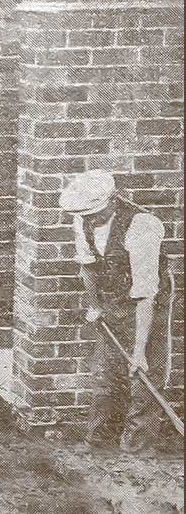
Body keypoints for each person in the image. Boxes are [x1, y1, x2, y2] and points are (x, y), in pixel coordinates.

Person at [60, 169, 171, 453]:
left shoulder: (142, 226)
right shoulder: (83, 220)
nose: (89, 219)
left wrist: (139, 351)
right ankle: (99, 440)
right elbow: (88, 266)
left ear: (112, 201)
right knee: (106, 371)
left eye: (95, 213)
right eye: (86, 215)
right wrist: (95, 304)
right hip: (112, 297)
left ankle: (137, 449)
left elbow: (145, 295)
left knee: (142, 374)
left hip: (148, 301)